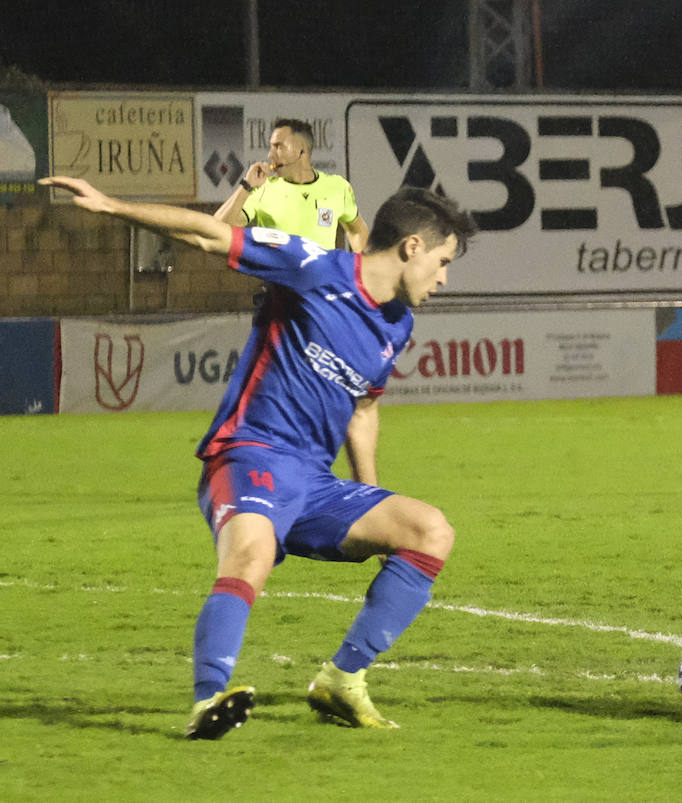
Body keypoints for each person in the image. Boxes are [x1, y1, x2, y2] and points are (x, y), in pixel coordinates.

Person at [41, 174, 477, 740]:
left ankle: (342, 680)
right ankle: (207, 702)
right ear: (411, 247)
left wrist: (372, 497)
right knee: (251, 555)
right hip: (249, 456)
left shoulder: (397, 322)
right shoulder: (314, 268)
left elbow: (363, 411)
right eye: (443, 261)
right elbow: (210, 235)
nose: (443, 278)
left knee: (429, 531)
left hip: (313, 485)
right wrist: (110, 205)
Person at [214, 118, 368, 252]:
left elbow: (357, 232)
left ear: (301, 151)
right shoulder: (263, 189)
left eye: (278, 147)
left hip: (321, 286)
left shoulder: (337, 187)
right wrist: (246, 186)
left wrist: (365, 272)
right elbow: (216, 229)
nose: (270, 155)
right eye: (271, 147)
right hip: (280, 285)